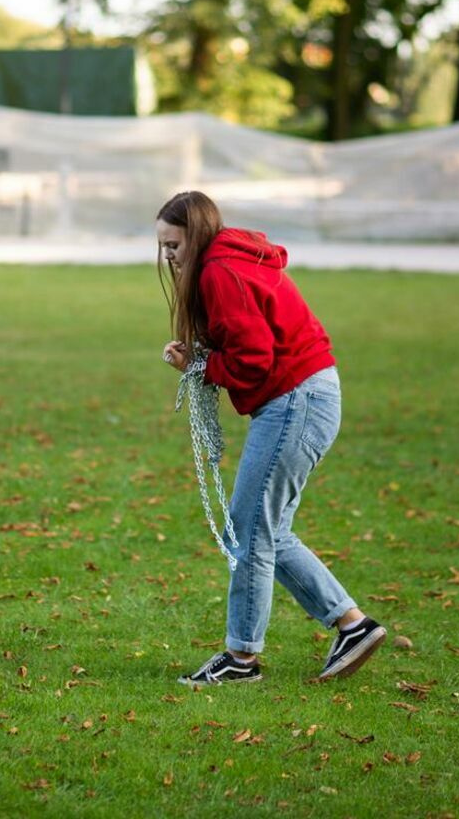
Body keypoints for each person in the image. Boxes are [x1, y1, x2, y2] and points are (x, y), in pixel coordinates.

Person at [156, 190, 385, 686]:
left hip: (296, 400)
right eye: (163, 247)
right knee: (266, 529)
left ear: (194, 235)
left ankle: (240, 658)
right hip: (308, 394)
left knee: (249, 526)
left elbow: (254, 358)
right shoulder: (227, 261)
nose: (168, 256)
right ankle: (353, 625)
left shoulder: (218, 271)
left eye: (173, 244)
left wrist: (201, 364)